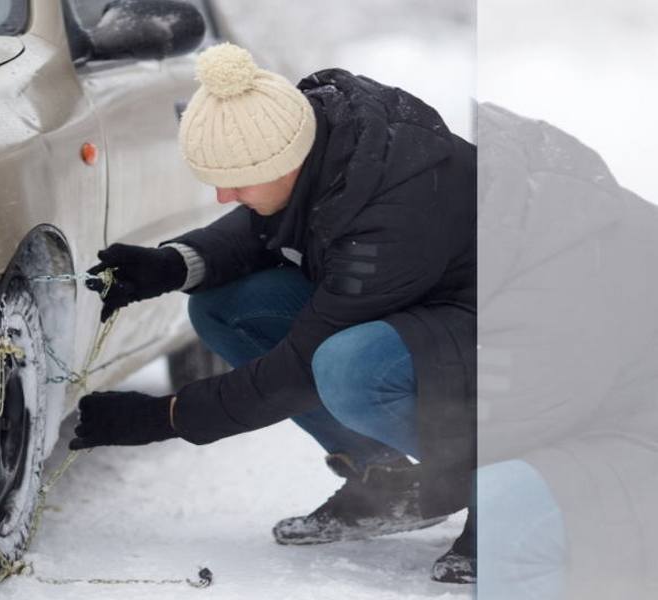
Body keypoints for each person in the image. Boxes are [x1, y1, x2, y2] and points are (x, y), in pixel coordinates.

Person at [69, 43, 477, 582]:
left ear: (285, 161)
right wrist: (173, 265)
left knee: (348, 367)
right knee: (226, 307)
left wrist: (163, 417)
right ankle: (385, 480)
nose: (222, 195)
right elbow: (270, 217)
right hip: (444, 303)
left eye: (236, 180)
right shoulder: (321, 138)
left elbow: (297, 371)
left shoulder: (391, 214)